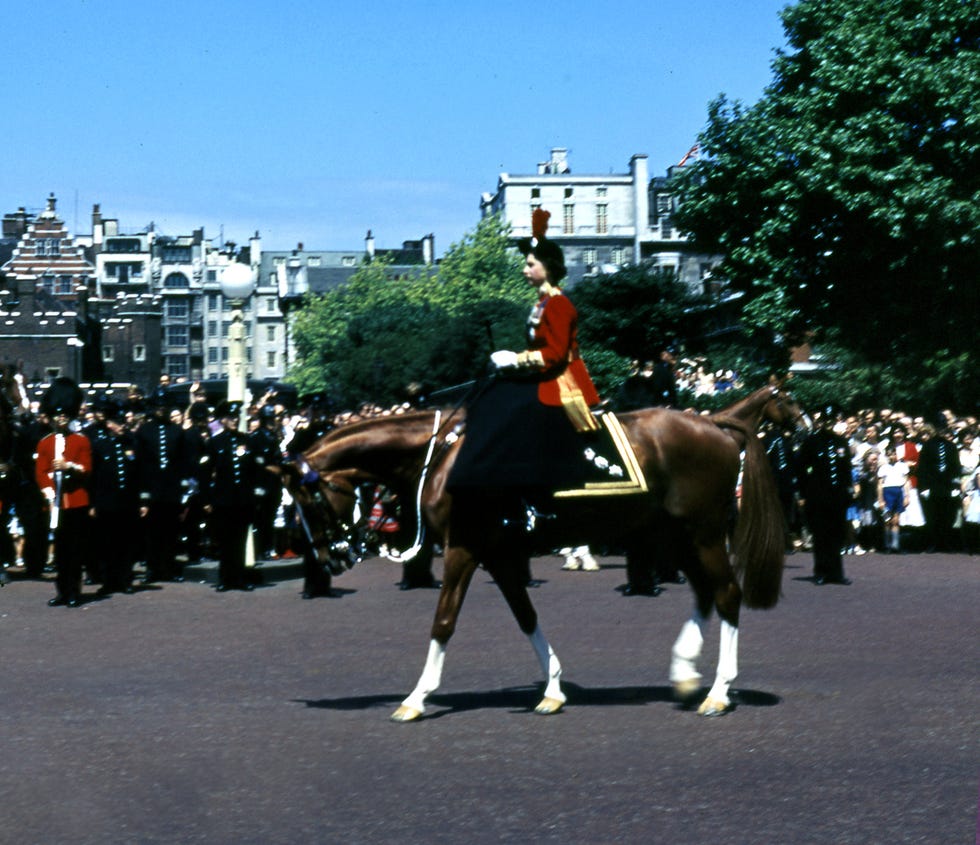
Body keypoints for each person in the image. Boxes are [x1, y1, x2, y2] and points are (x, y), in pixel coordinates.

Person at [446, 208, 599, 585]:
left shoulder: (560, 303)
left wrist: (515, 359)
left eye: (530, 264)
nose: (525, 269)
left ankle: (535, 497)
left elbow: (555, 354)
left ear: (547, 266)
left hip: (563, 383)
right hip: (547, 377)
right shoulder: (542, 303)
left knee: (517, 414)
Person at [35, 378, 92, 607]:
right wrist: (49, 493)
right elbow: (41, 472)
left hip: (76, 502)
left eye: (65, 415)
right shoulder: (45, 444)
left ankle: (74, 592)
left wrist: (69, 467)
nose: (61, 419)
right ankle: (61, 591)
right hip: (55, 505)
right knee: (60, 551)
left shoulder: (80, 441)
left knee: (75, 550)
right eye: (57, 415)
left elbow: (87, 469)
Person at [203, 400, 257, 591]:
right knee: (225, 541)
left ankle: (240, 578)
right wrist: (208, 500)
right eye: (230, 417)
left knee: (241, 540)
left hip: (243, 500)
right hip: (223, 500)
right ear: (222, 420)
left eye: (236, 417)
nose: (234, 420)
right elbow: (206, 473)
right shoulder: (215, 443)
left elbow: (254, 470)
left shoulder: (246, 440)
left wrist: (254, 495)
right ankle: (225, 579)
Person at [89, 399, 141, 594]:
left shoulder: (132, 443)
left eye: (122, 423)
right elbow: (94, 477)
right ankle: (109, 581)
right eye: (117, 423)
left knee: (126, 543)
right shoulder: (100, 446)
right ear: (110, 425)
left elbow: (139, 474)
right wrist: (93, 503)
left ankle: (125, 579)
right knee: (107, 544)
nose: (122, 427)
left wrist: (142, 500)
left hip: (127, 502)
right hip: (106, 502)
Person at [796, 406, 853, 585]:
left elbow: (846, 469)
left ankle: (836, 573)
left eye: (831, 420)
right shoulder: (812, 442)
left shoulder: (841, 442)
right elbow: (801, 468)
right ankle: (820, 571)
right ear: (821, 421)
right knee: (821, 534)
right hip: (818, 496)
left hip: (838, 496)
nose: (828, 424)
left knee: (837, 534)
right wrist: (804, 492)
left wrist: (849, 489)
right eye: (825, 420)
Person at [916, 416, 962, 552]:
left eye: (943, 428)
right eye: (939, 428)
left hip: (947, 486)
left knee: (947, 516)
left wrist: (955, 486)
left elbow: (955, 468)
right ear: (935, 429)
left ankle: (946, 543)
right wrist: (924, 487)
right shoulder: (927, 446)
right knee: (933, 516)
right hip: (932, 486)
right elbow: (923, 468)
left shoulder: (951, 447)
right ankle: (933, 543)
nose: (941, 431)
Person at [250, 404, 284, 561]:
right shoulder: (256, 437)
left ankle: (268, 548)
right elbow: (256, 464)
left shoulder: (273, 437)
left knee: (270, 519)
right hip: (261, 484)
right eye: (269, 419)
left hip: (274, 484)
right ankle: (258, 550)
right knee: (260, 519)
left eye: (273, 419)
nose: (272, 422)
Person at [877, 446, 910, 553]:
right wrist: (880, 500)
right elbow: (879, 485)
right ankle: (887, 545)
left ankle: (896, 545)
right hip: (887, 493)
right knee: (887, 521)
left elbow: (906, 482)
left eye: (894, 454)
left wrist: (907, 496)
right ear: (886, 456)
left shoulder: (902, 466)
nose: (892, 456)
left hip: (898, 492)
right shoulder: (883, 468)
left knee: (896, 520)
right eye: (889, 454)